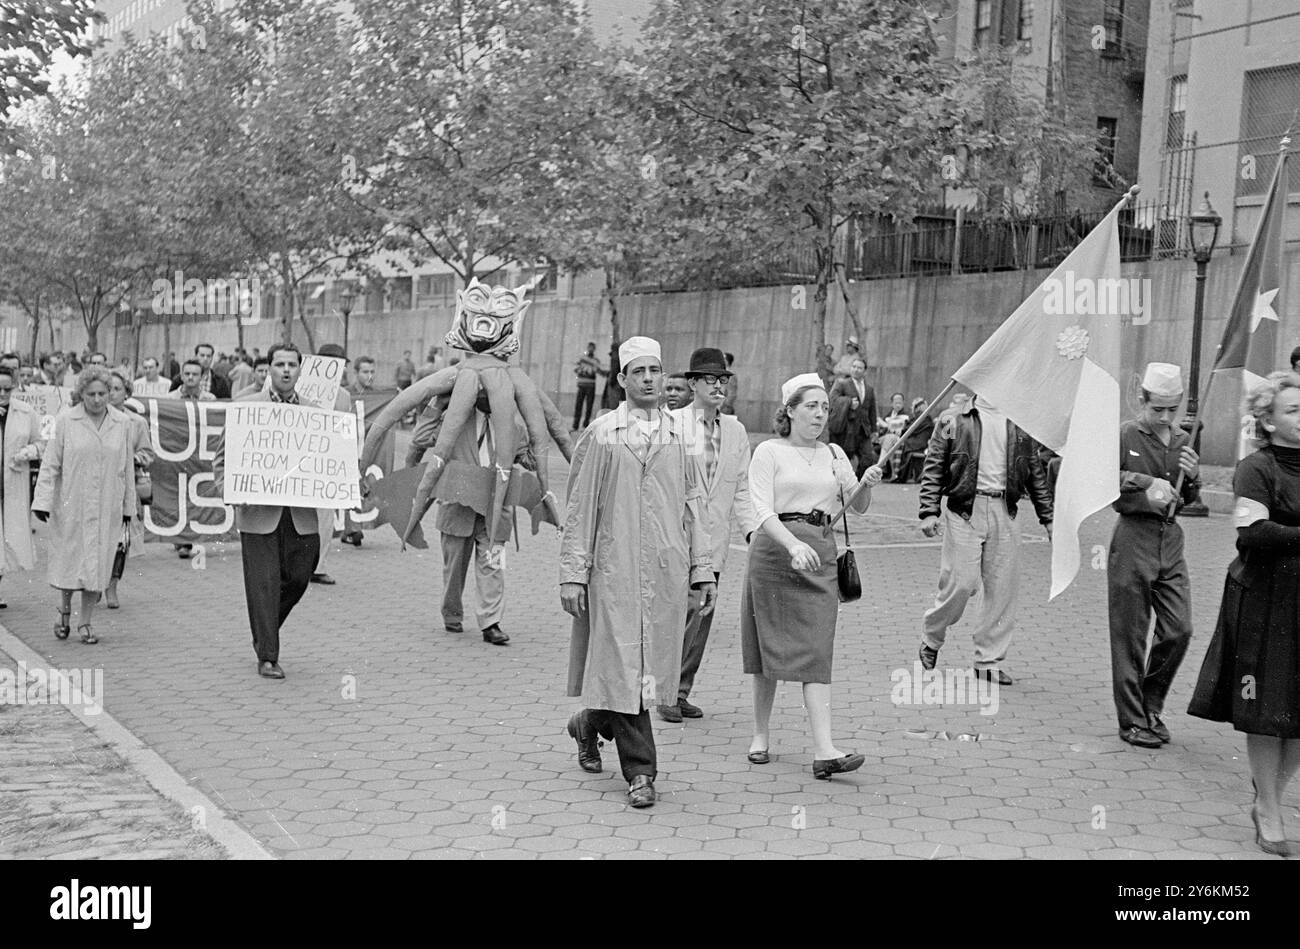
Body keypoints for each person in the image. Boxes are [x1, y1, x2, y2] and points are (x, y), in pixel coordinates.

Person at [560, 336, 716, 808]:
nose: (649, 379)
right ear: (623, 380)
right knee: (627, 665)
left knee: (645, 672)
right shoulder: (603, 433)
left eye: (655, 370)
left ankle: (588, 724)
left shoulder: (682, 436)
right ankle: (641, 772)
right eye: (639, 371)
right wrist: (573, 572)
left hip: (666, 568)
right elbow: (580, 506)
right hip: (615, 569)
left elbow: (695, 504)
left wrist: (702, 568)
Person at [743, 373, 880, 778]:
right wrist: (792, 545)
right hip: (774, 553)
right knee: (766, 649)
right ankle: (760, 735)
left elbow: (859, 508)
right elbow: (762, 510)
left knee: (817, 651)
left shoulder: (835, 453)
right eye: (811, 407)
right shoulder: (768, 451)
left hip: (819, 555)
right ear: (789, 411)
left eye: (824, 407)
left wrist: (865, 482)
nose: (820, 414)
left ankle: (825, 751)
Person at [1189, 372, 1300, 857]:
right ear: (1269, 421)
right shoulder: (1256, 467)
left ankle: (1269, 797)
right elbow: (1252, 534)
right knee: (1266, 710)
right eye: (1293, 410)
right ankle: (1271, 811)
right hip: (1265, 599)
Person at [917, 391, 1053, 685]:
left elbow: (1036, 474)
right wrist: (929, 511)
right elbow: (934, 467)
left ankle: (987, 660)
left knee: (1002, 589)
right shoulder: (953, 418)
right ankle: (932, 635)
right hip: (965, 508)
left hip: (1006, 510)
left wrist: (1049, 519)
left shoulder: (1020, 421)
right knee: (961, 583)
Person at [212, 344, 325, 679]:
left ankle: (264, 630)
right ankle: (268, 655)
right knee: (264, 583)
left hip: (301, 513)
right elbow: (222, 459)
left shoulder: (315, 412)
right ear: (269, 369)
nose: (286, 370)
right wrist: (229, 490)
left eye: (292, 364)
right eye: (279, 364)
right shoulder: (247, 408)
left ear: (301, 370)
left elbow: (327, 459)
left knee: (300, 575)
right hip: (258, 512)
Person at [658, 348, 757, 723]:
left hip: (714, 542)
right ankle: (663, 690)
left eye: (723, 380)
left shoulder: (735, 430)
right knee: (676, 614)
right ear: (693, 384)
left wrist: (752, 533)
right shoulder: (672, 424)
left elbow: (743, 488)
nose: (718, 387)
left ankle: (681, 691)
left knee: (700, 615)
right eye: (710, 380)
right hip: (677, 538)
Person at [1107, 363, 1201, 748]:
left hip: (1170, 540)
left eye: (1171, 410)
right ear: (1142, 401)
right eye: (1157, 408)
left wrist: (1191, 479)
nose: (1165, 418)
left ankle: (1150, 704)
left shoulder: (1185, 439)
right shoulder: (1127, 434)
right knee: (1130, 633)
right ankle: (1131, 720)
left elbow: (1189, 498)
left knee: (1180, 628)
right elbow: (1103, 479)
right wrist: (1146, 482)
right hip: (1133, 537)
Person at [31, 367, 137, 645]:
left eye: (103, 393)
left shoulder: (122, 423)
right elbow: (50, 463)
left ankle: (86, 621)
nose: (98, 400)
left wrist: (128, 508)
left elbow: (126, 469)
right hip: (71, 503)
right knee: (71, 561)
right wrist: (41, 501)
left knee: (98, 565)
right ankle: (64, 611)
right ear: (81, 394)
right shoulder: (64, 420)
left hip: (106, 505)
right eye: (91, 394)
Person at [435, 394, 525, 646]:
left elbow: (525, 455)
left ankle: (491, 623)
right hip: (458, 508)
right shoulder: (455, 421)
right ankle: (451, 614)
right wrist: (437, 405)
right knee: (453, 569)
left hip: (495, 512)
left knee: (493, 566)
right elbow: (424, 439)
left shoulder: (512, 425)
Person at [102, 370, 156, 610]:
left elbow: (148, 453)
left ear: (126, 393)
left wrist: (131, 458)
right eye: (107, 389)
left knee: (120, 541)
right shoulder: (94, 419)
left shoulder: (136, 422)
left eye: (116, 389)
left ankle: (111, 584)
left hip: (125, 488)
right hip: (97, 487)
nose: (111, 394)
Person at [0, 366, 43, 609]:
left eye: (8, 389)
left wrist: (28, 452)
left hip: (12, 483)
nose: (3, 394)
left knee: (7, 536)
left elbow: (40, 442)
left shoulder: (26, 412)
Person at [828, 356, 878, 477]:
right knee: (843, 457)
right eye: (854, 367)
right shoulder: (842, 384)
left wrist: (874, 430)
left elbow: (872, 410)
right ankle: (842, 484)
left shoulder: (869, 389)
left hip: (863, 430)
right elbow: (833, 399)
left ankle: (857, 482)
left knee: (868, 459)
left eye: (859, 368)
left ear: (865, 371)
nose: (856, 370)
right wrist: (849, 402)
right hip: (847, 429)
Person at [893, 398, 933, 484]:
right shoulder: (924, 417)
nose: (911, 408)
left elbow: (911, 429)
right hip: (918, 442)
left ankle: (898, 474)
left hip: (918, 443)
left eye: (912, 406)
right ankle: (896, 474)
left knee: (900, 444)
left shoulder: (922, 417)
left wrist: (903, 427)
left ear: (917, 407)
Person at [572, 341, 606, 431]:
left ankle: (585, 425)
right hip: (581, 385)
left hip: (591, 385)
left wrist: (588, 369)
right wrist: (586, 370)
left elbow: (599, 371)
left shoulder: (596, 361)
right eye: (589, 347)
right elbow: (575, 369)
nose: (590, 349)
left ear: (594, 349)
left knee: (589, 406)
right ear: (587, 348)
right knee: (578, 405)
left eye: (592, 348)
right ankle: (575, 425)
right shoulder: (582, 358)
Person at [877, 392, 910, 480]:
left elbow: (907, 429)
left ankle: (880, 465)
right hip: (885, 439)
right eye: (896, 403)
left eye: (900, 403)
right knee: (889, 438)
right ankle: (882, 466)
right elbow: (882, 430)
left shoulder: (907, 416)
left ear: (903, 403)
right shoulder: (888, 416)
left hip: (899, 440)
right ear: (891, 404)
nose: (898, 405)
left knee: (890, 439)